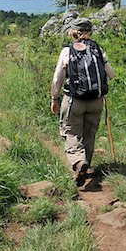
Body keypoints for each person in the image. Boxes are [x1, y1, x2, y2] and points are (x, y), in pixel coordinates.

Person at [50, 18, 115, 187]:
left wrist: (54, 98)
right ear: (89, 31)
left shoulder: (67, 51)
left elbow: (58, 77)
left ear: (75, 32)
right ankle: (86, 163)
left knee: (70, 132)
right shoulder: (98, 50)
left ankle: (79, 162)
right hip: (96, 101)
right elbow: (112, 74)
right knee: (89, 133)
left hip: (74, 100)